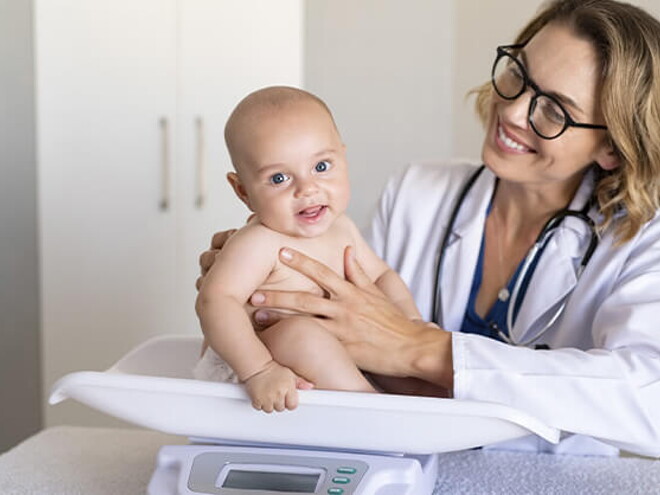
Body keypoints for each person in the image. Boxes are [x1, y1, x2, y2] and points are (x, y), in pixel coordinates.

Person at [198, 0, 660, 457]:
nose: (514, 111)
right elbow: (331, 333)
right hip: (388, 461)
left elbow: (650, 400)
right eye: (518, 75)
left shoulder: (641, 240)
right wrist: (254, 286)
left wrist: (422, 348)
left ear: (613, 149)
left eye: (554, 110)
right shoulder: (417, 193)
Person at [194, 86, 422, 413]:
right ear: (243, 191)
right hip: (248, 365)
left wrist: (411, 325)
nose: (307, 188)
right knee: (301, 334)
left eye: (321, 167)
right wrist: (259, 369)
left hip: (323, 363)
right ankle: (372, 409)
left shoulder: (342, 227)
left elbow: (382, 276)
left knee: (380, 347)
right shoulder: (259, 241)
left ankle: (408, 395)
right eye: (279, 178)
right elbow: (214, 300)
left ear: (343, 157)